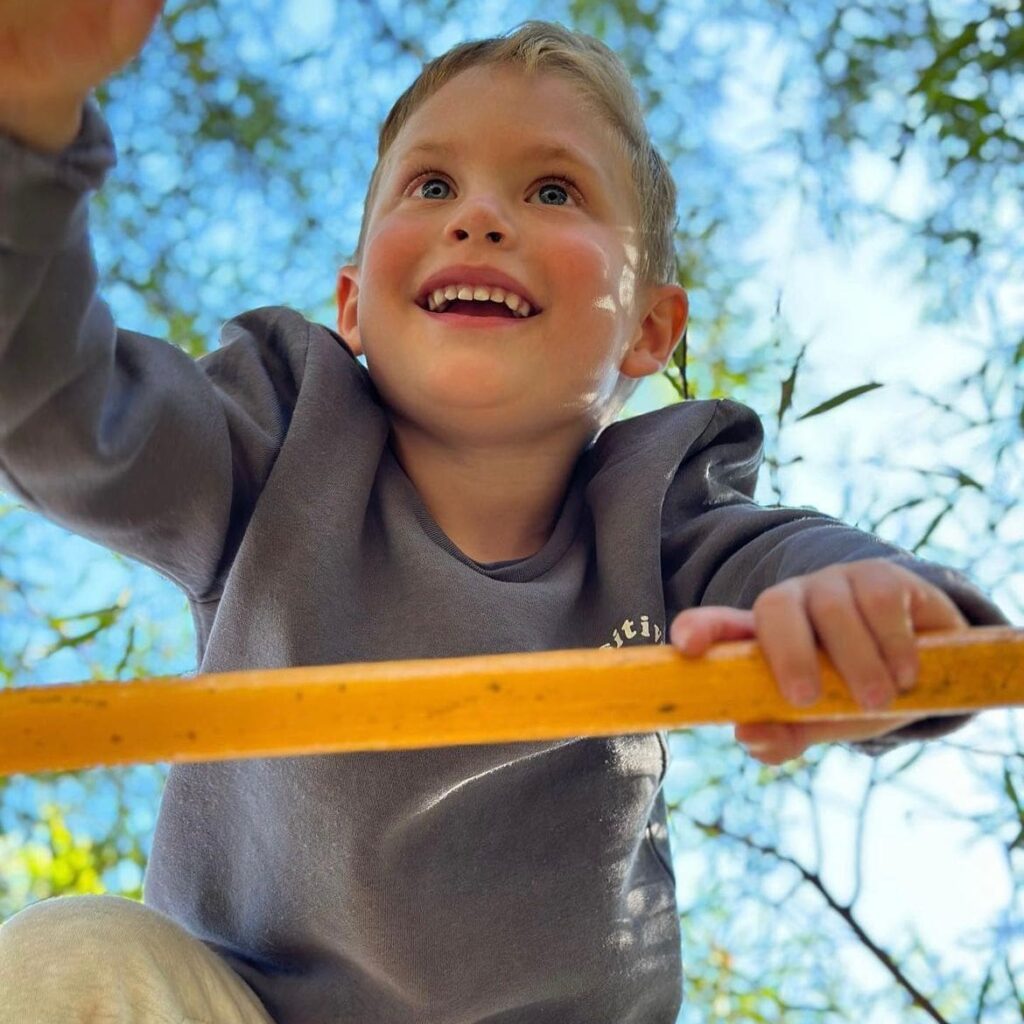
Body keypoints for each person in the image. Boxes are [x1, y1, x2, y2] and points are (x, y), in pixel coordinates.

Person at [0, 6, 1010, 1023]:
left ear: (649, 327)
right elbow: (56, 412)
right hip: (247, 1007)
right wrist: (26, 122)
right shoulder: (274, 447)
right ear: (351, 302)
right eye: (432, 184)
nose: (477, 218)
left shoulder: (657, 513)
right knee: (76, 953)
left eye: (553, 189)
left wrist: (869, 614)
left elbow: (780, 561)